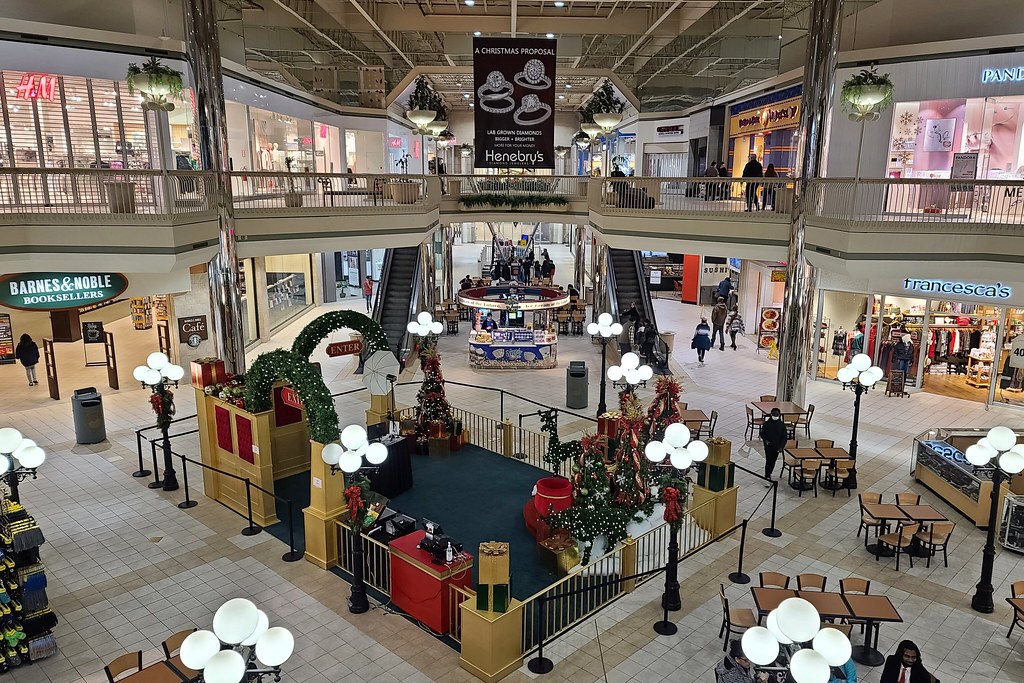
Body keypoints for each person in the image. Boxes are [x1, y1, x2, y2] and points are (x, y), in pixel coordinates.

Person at [759, 408, 788, 484]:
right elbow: (762, 434)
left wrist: (781, 447)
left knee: (773, 461)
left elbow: (784, 437)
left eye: (777, 415)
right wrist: (766, 441)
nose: (775, 416)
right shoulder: (767, 424)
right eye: (774, 414)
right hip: (768, 446)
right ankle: (767, 475)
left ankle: (769, 473)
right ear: (771, 415)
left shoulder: (782, 425)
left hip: (777, 447)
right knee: (769, 461)